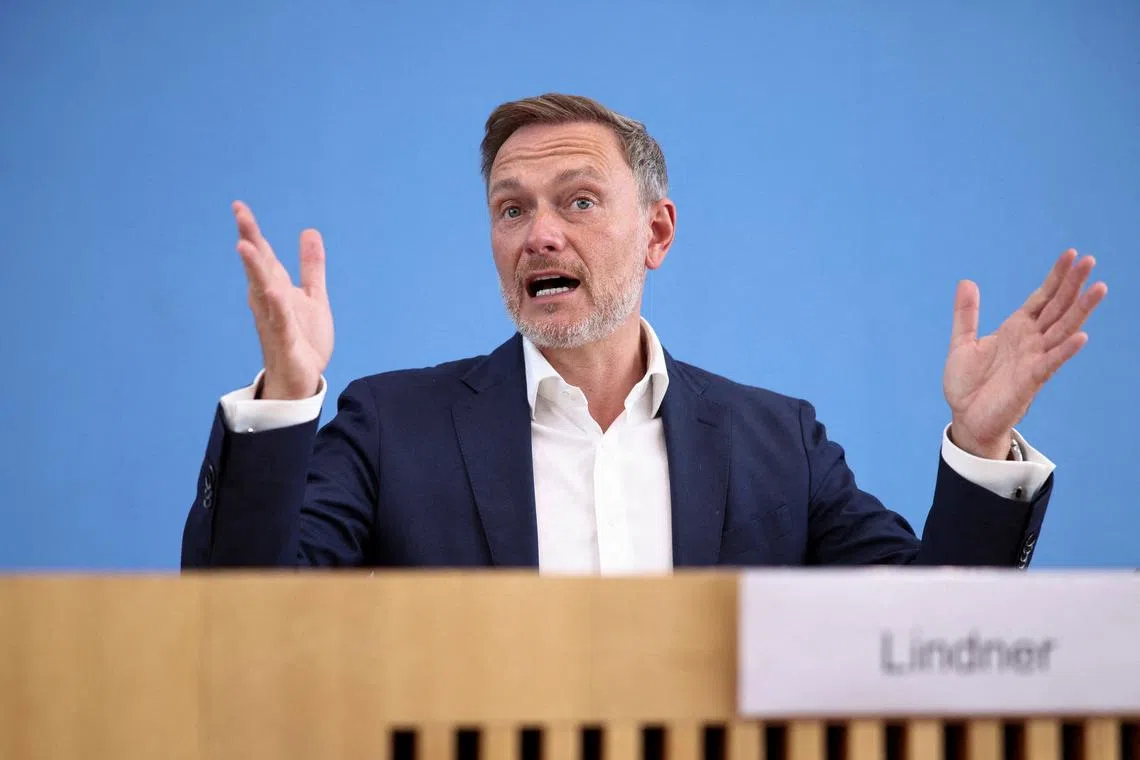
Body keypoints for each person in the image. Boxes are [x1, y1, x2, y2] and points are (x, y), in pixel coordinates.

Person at [181, 93, 1106, 572]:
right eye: (511, 209)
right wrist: (288, 394)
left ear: (657, 232)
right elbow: (245, 621)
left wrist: (981, 446)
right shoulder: (392, 424)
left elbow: (930, 642)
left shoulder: (776, 442)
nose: (539, 231)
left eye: (578, 200)